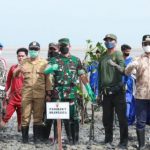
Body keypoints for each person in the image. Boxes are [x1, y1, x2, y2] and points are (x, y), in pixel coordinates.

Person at [44, 38, 95, 145]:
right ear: (59, 47)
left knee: (73, 117)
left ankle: (74, 140)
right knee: (58, 117)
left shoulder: (76, 60)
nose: (64, 47)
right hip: (58, 93)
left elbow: (82, 74)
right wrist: (51, 68)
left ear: (70, 46)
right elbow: (46, 71)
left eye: (65, 45)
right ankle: (57, 140)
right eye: (61, 46)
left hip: (71, 93)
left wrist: (89, 88)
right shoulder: (54, 60)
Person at [14, 41, 51, 143]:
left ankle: (36, 139)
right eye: (31, 49)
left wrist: (48, 93)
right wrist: (18, 70)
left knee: (38, 117)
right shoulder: (24, 62)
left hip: (40, 94)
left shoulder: (44, 63)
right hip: (26, 95)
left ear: (39, 50)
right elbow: (15, 75)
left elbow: (48, 80)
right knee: (25, 117)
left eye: (35, 49)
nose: (33, 51)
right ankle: (25, 139)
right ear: (29, 50)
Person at [98, 34, 128, 148]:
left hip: (118, 92)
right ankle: (108, 139)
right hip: (106, 92)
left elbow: (124, 71)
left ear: (115, 42)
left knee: (122, 118)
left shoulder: (118, 54)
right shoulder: (103, 56)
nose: (108, 42)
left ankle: (123, 142)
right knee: (107, 118)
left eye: (111, 40)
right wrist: (99, 92)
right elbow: (100, 75)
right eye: (106, 40)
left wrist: (115, 65)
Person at [125, 35, 150, 149]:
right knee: (140, 122)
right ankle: (142, 145)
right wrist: (131, 67)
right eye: (145, 43)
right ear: (142, 45)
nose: (147, 45)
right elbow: (127, 72)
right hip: (141, 96)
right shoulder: (137, 59)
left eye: (149, 43)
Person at [0, 48, 28, 131]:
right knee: (4, 118)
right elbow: (8, 82)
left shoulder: (29, 69)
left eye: (22, 56)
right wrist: (5, 93)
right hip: (12, 99)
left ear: (26, 56)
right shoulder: (13, 68)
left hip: (23, 99)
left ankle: (23, 139)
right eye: (19, 56)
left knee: (21, 123)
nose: (20, 58)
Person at [42, 42, 60, 142]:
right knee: (46, 117)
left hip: (58, 94)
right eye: (50, 49)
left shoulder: (61, 62)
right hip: (46, 93)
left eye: (54, 49)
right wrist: (47, 93)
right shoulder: (45, 62)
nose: (52, 51)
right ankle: (45, 137)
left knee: (57, 116)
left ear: (58, 50)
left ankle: (57, 138)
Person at [121, 44, 136, 125]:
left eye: (129, 51)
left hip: (130, 85)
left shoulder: (132, 60)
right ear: (122, 51)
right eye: (127, 51)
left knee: (131, 103)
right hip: (120, 85)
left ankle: (130, 121)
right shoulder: (119, 60)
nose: (128, 53)